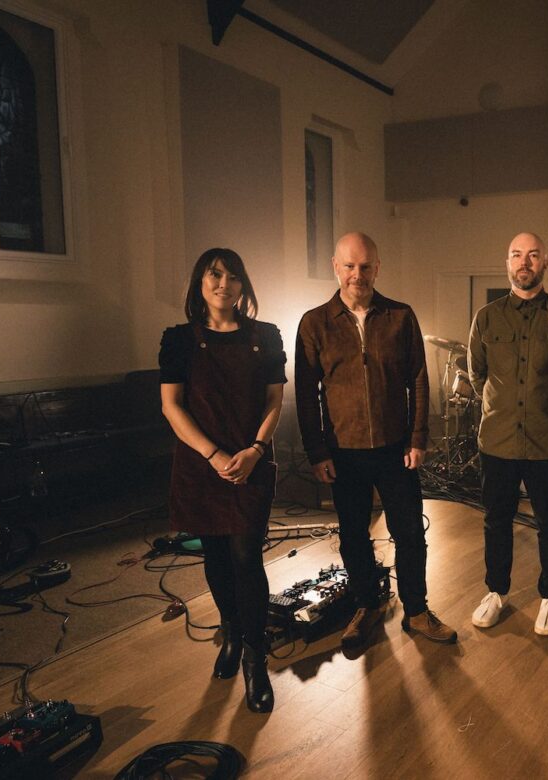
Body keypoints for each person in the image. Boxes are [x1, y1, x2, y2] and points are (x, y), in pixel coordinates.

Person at [295, 231, 455, 650]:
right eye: (349, 266)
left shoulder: (401, 316)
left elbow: (419, 381)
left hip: (394, 448)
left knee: (410, 534)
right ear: (336, 267)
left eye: (365, 266)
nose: (357, 274)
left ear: (377, 268)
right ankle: (366, 605)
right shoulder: (314, 323)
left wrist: (418, 437)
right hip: (342, 453)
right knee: (353, 535)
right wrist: (316, 450)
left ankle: (417, 611)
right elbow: (306, 394)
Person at [159, 248, 285, 713]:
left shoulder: (265, 336)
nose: (224, 284)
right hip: (201, 463)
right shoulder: (179, 340)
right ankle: (230, 631)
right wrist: (213, 454)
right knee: (214, 553)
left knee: (246, 555)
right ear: (200, 283)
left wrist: (254, 449)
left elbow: (275, 401)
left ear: (243, 286)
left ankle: (255, 657)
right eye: (215, 275)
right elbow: (172, 406)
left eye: (233, 277)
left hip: (250, 461)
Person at [467, 232, 548, 636]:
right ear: (507, 263)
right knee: (495, 521)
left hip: (546, 443)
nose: (525, 262)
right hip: (497, 441)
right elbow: (477, 374)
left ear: (545, 262)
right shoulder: (486, 317)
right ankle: (495, 592)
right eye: (516, 254)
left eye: (532, 255)